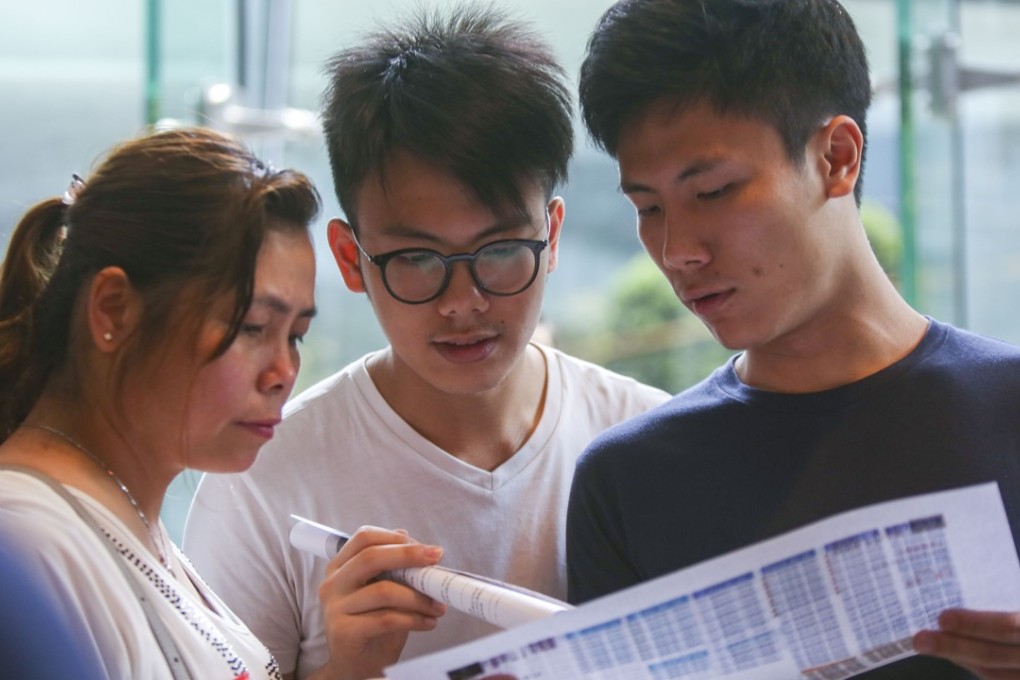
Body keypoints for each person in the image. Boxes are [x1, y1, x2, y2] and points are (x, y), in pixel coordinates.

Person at [182, 5, 671, 680]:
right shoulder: (262, 483)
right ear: (351, 260)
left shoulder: (647, 440)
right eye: (417, 258)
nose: (463, 302)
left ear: (552, 237)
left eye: (500, 250)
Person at [565, 1, 1020, 679]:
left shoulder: (1007, 410)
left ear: (836, 157)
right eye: (648, 208)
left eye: (713, 192)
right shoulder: (628, 482)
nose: (677, 250)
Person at [0, 126, 320, 679]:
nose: (283, 373)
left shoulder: (123, 512)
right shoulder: (28, 543)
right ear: (114, 310)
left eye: (295, 336)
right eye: (253, 327)